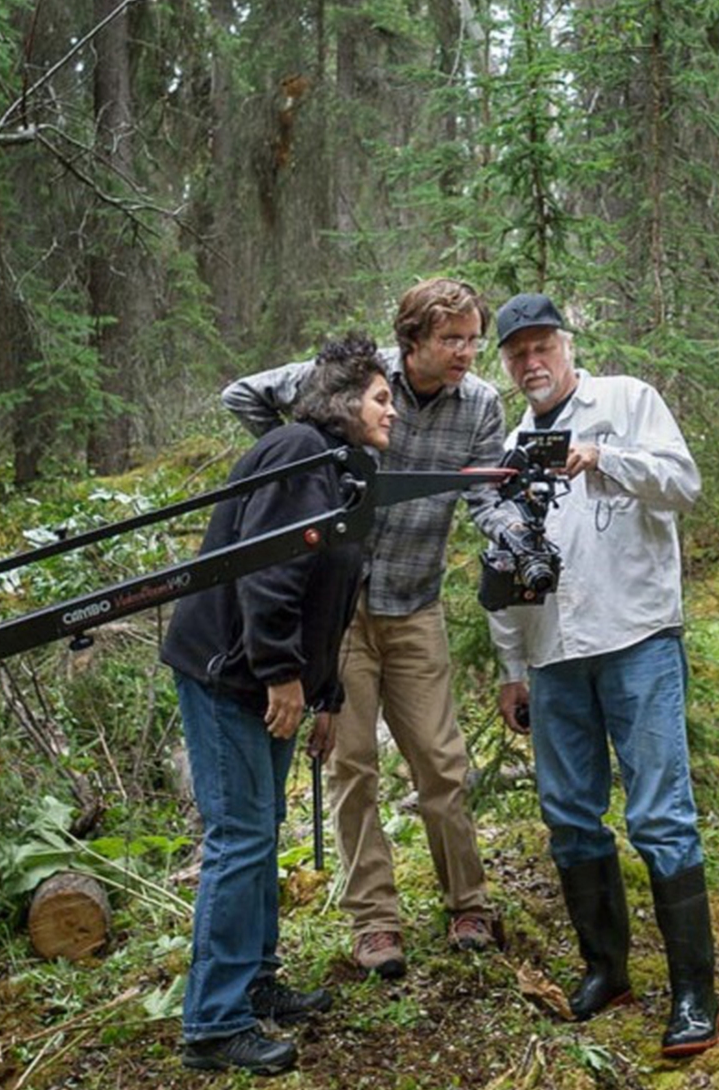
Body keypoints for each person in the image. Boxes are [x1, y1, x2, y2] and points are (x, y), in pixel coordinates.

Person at [221, 279, 519, 978]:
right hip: (342, 612)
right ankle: (375, 922)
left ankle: (468, 902)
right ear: (412, 340)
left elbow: (484, 492)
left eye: (474, 338)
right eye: (452, 339)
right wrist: (308, 464)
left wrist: (512, 536)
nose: (467, 353)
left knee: (441, 761)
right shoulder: (361, 382)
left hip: (415, 604)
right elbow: (243, 394)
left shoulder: (479, 404)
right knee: (352, 765)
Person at [487, 293, 719, 1057]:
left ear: (566, 345)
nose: (531, 364)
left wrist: (603, 459)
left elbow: (684, 485)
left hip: (637, 635)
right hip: (553, 653)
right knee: (569, 813)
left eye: (541, 347)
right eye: (517, 354)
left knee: (659, 812)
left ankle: (693, 992)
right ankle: (605, 970)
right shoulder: (511, 447)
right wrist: (511, 668)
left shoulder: (625, 401)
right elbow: (501, 566)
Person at [162, 334, 397, 1075]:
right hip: (231, 672)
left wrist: (324, 694)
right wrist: (280, 675)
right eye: (382, 398)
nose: (393, 412)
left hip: (263, 672)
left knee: (261, 829)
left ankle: (254, 984)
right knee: (239, 836)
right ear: (343, 400)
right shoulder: (299, 452)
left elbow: (327, 597)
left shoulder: (332, 470)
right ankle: (212, 1023)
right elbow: (269, 575)